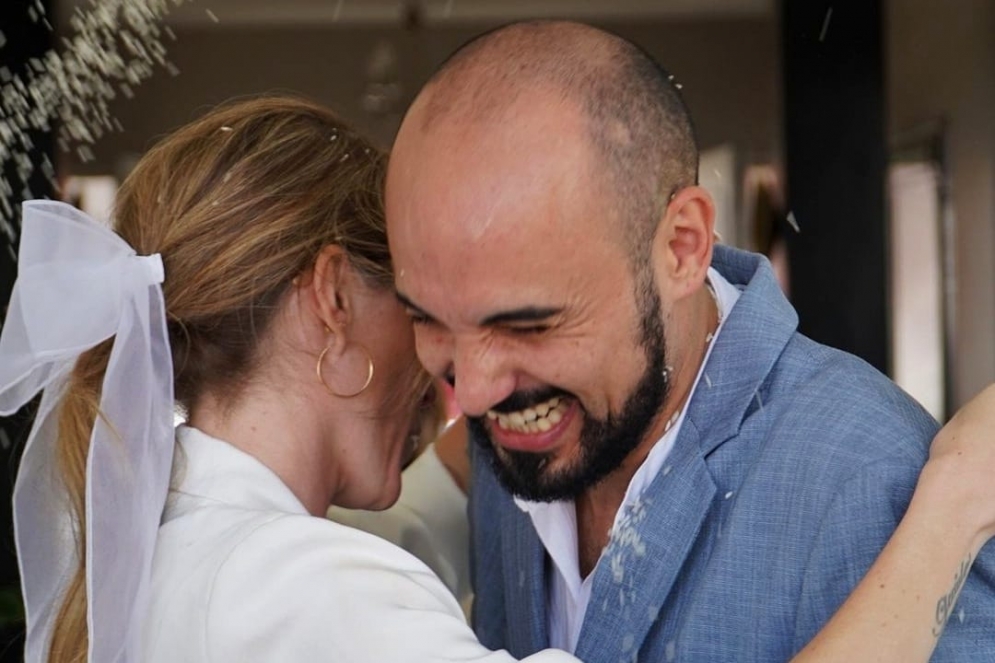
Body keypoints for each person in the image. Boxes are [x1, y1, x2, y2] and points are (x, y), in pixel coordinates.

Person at [0, 94, 991, 663]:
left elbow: (423, 507)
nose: (464, 382)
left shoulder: (151, 544)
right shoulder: (307, 593)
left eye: (517, 317)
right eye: (426, 309)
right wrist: (954, 504)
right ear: (334, 298)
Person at [383, 20, 995, 662]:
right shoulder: (517, 430)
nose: (473, 393)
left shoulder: (880, 481)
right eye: (429, 320)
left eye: (530, 326)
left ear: (682, 248)